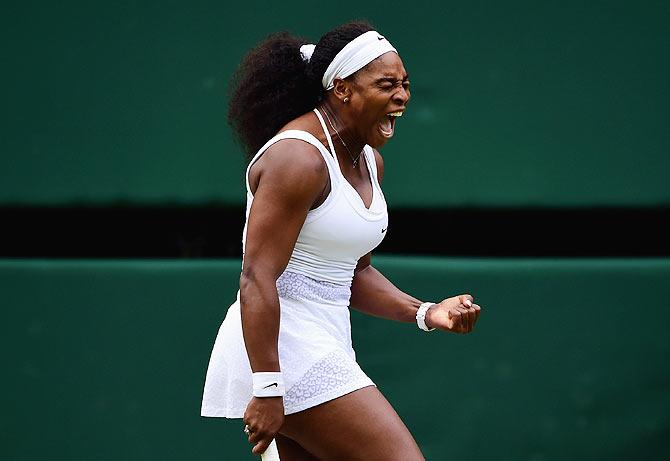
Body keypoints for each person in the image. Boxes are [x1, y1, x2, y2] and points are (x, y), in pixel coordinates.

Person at [201, 20, 482, 460]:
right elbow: (257, 277)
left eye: (405, 84)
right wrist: (268, 386)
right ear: (342, 88)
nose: (402, 96)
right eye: (386, 84)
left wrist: (427, 312)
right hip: (284, 347)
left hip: (323, 340)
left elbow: (354, 273)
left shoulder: (369, 161)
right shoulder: (298, 159)